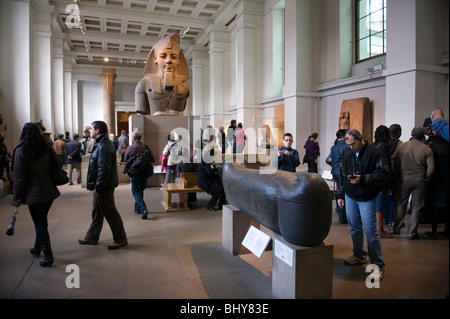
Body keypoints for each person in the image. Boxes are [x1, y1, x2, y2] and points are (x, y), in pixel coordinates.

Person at [337, 129, 389, 281]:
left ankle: (378, 266)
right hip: (350, 196)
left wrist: (364, 179)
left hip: (366, 197)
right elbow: (342, 177)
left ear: (361, 139)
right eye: (348, 145)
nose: (351, 147)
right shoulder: (348, 155)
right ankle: (359, 255)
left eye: (353, 144)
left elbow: (383, 174)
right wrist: (340, 194)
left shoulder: (375, 153)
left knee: (371, 232)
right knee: (354, 228)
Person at [11, 123, 61, 267]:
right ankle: (37, 247)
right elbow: (58, 162)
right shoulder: (45, 148)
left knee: (39, 223)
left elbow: (19, 178)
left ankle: (48, 255)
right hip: (49, 190)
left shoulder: (22, 150)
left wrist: (16, 197)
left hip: (34, 193)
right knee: (41, 220)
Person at [79, 120, 128, 250]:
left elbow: (103, 169)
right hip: (100, 185)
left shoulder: (104, 145)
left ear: (97, 131)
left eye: (91, 129)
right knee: (97, 212)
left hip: (103, 186)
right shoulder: (101, 143)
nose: (89, 131)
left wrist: (98, 187)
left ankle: (120, 239)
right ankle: (92, 236)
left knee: (110, 212)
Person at [392, 127, 434, 240]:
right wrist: (426, 179)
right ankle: (412, 232)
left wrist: (397, 176)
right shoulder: (427, 149)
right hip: (420, 181)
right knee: (416, 208)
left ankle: (396, 228)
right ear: (422, 136)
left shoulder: (401, 147)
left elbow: (395, 163)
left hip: (404, 180)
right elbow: (431, 169)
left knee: (400, 205)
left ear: (412, 134)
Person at [135, 32, 189, 115]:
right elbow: (141, 116)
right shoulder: (144, 84)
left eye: (174, 57)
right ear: (154, 58)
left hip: (179, 127)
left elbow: (182, 112)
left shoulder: (185, 86)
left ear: (179, 59)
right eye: (163, 56)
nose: (168, 61)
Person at [124, 131, 155, 220]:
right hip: (145, 173)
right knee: (140, 191)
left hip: (135, 173)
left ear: (133, 139)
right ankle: (137, 209)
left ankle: (143, 209)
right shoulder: (146, 147)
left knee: (136, 191)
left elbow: (126, 160)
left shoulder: (130, 148)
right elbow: (152, 159)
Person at [423, 132, 449, 238]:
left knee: (434, 207)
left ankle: (433, 231)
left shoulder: (432, 147)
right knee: (447, 207)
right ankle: (447, 230)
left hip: (435, 180)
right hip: (447, 180)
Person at [372, 125, 394, 238]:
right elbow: (386, 164)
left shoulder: (372, 145)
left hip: (372, 178)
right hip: (381, 178)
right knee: (380, 204)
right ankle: (379, 229)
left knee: (375, 204)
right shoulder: (384, 146)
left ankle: (376, 228)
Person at [330, 129, 350, 224]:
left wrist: (335, 165)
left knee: (340, 191)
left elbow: (328, 159)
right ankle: (343, 216)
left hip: (335, 171)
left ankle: (342, 214)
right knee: (344, 193)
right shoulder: (346, 147)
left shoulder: (334, 147)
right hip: (344, 172)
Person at [197, 147, 226, 212]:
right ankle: (210, 206)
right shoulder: (205, 162)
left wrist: (215, 167)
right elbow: (209, 171)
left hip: (209, 180)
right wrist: (216, 169)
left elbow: (210, 169)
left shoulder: (207, 161)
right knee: (217, 190)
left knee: (222, 188)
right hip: (204, 182)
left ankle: (222, 205)